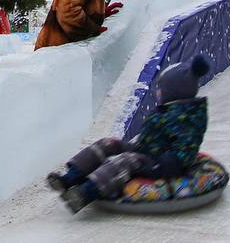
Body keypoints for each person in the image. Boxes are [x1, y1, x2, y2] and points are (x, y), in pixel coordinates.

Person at [46, 55, 211, 213]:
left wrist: (170, 163)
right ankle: (69, 178)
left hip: (159, 163)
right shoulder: (169, 109)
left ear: (174, 90)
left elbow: (187, 145)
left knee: (126, 161)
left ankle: (85, 193)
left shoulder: (187, 117)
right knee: (108, 143)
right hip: (146, 149)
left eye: (160, 89)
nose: (158, 93)